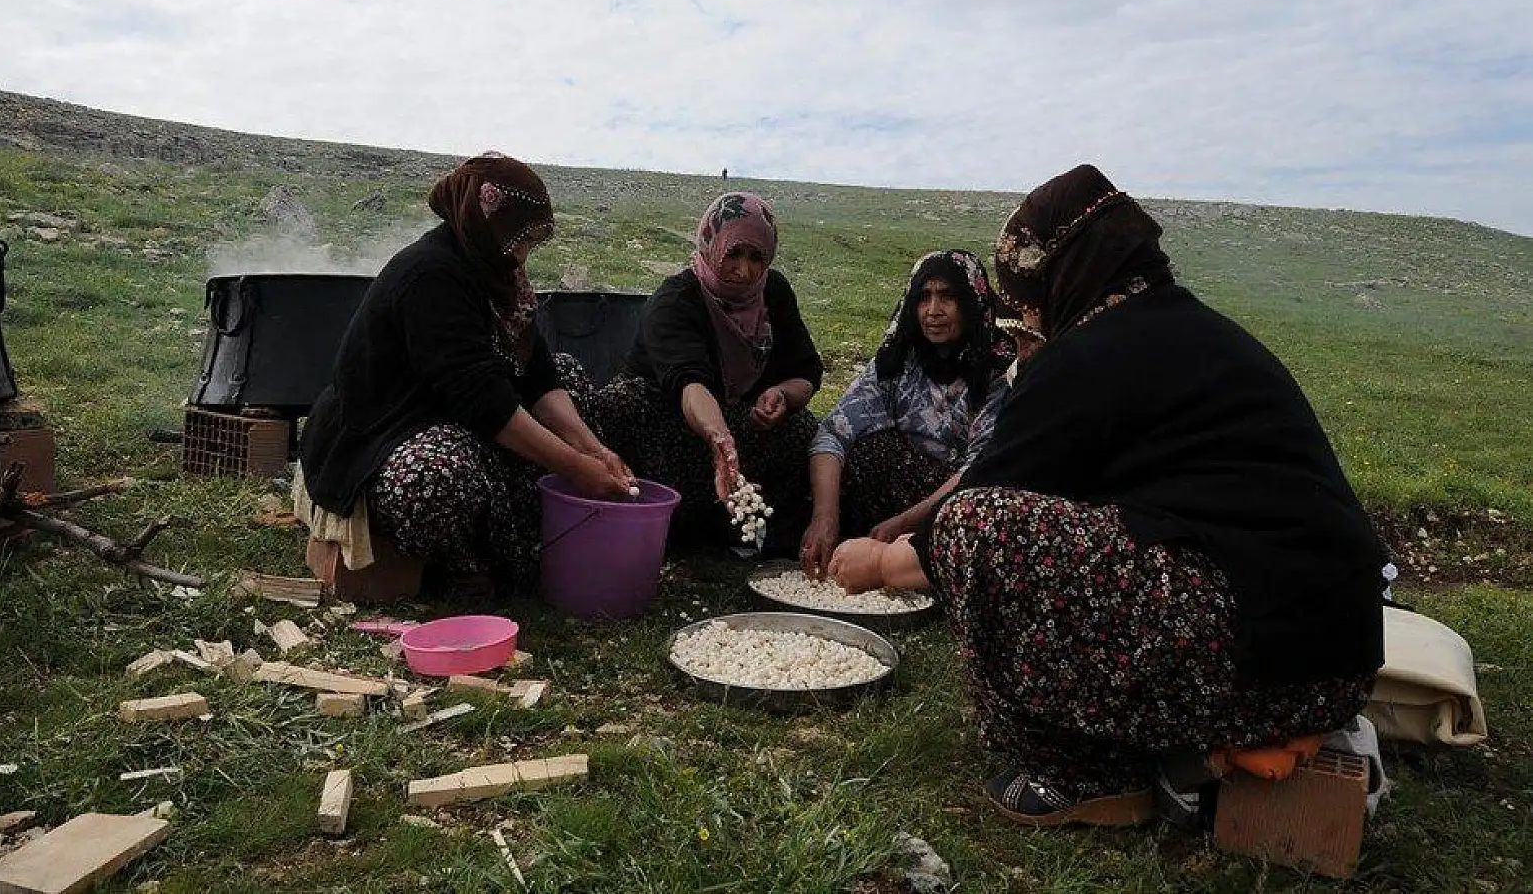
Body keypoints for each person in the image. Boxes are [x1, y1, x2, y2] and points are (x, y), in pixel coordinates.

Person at [830, 164, 1386, 827]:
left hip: (1259, 667)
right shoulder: (1200, 333)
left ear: (1061, 271)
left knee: (977, 526)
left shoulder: (1092, 353)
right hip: (1335, 666)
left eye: (1028, 292)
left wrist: (878, 561)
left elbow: (965, 515)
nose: (1027, 311)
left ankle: (1088, 774)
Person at [297, 153, 633, 604]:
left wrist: (595, 449)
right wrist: (576, 468)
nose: (522, 254)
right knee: (435, 479)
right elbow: (484, 401)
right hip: (384, 431)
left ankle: (512, 536)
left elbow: (538, 376)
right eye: (518, 239)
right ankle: (460, 566)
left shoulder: (502, 281)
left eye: (530, 242)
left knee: (571, 380)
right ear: (486, 221)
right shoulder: (431, 274)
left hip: (460, 420)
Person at [591, 192, 823, 552]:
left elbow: (805, 371)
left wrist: (783, 394)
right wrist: (721, 444)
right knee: (618, 406)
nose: (744, 271)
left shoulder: (773, 292)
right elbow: (690, 384)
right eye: (733, 253)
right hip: (666, 424)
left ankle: (757, 531)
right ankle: (657, 515)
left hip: (737, 421)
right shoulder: (676, 300)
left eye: (756, 257)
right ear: (711, 242)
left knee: (804, 429)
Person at [799, 250, 1016, 579]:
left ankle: (906, 561)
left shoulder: (997, 374)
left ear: (972, 302)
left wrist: (904, 522)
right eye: (924, 297)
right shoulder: (899, 360)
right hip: (892, 501)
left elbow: (979, 469)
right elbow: (833, 432)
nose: (933, 311)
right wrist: (824, 516)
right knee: (864, 448)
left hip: (952, 506)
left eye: (947, 297)